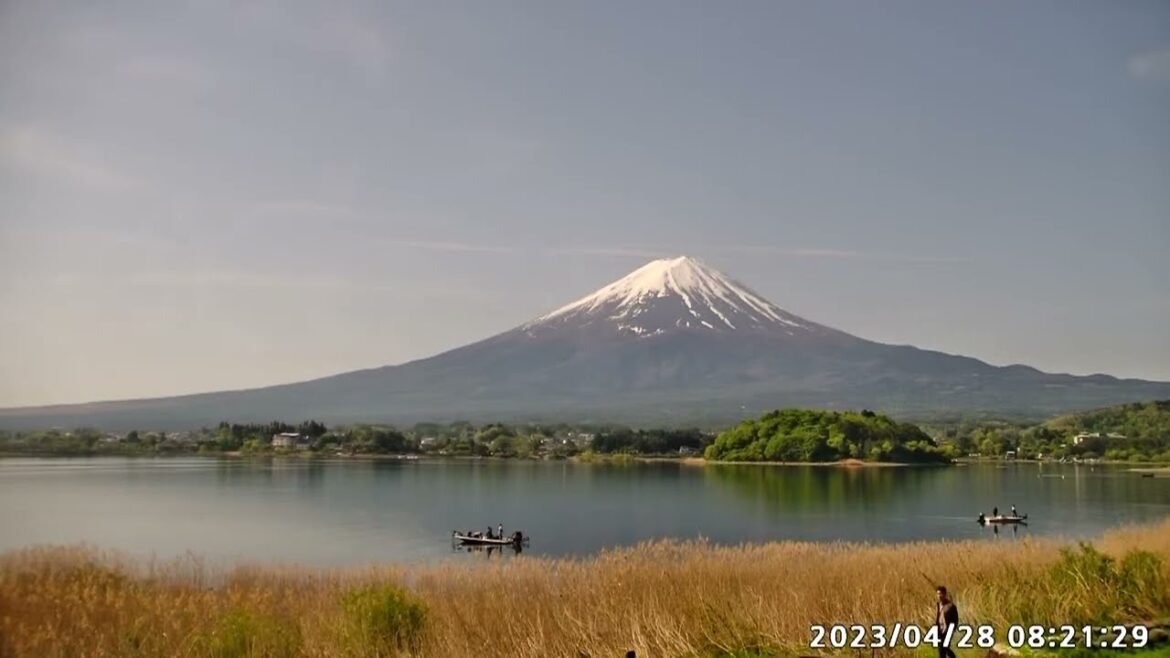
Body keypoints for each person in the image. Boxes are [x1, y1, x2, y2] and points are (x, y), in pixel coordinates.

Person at [935, 585, 959, 658]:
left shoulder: (951, 606)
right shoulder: (938, 605)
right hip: (939, 631)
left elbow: (955, 620)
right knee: (941, 650)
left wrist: (952, 630)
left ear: (945, 594)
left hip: (948, 630)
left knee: (945, 648)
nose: (939, 596)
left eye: (941, 594)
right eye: (938, 594)